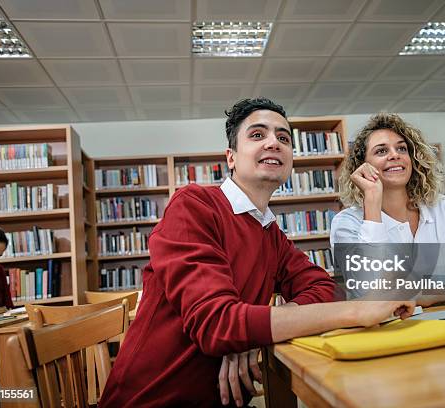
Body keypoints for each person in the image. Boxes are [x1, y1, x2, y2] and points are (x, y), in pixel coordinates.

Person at [100, 99, 414, 408]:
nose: (274, 143)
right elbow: (217, 326)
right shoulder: (193, 206)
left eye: (283, 137)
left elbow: (324, 288)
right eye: (257, 135)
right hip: (153, 399)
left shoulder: (270, 232)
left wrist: (253, 331)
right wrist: (356, 311)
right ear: (231, 157)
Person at [330, 113, 445, 307]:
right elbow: (371, 294)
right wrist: (372, 203)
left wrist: (436, 294)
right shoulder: (346, 223)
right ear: (362, 166)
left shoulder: (444, 208)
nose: (395, 155)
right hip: (385, 333)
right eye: (381, 151)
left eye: (401, 148)